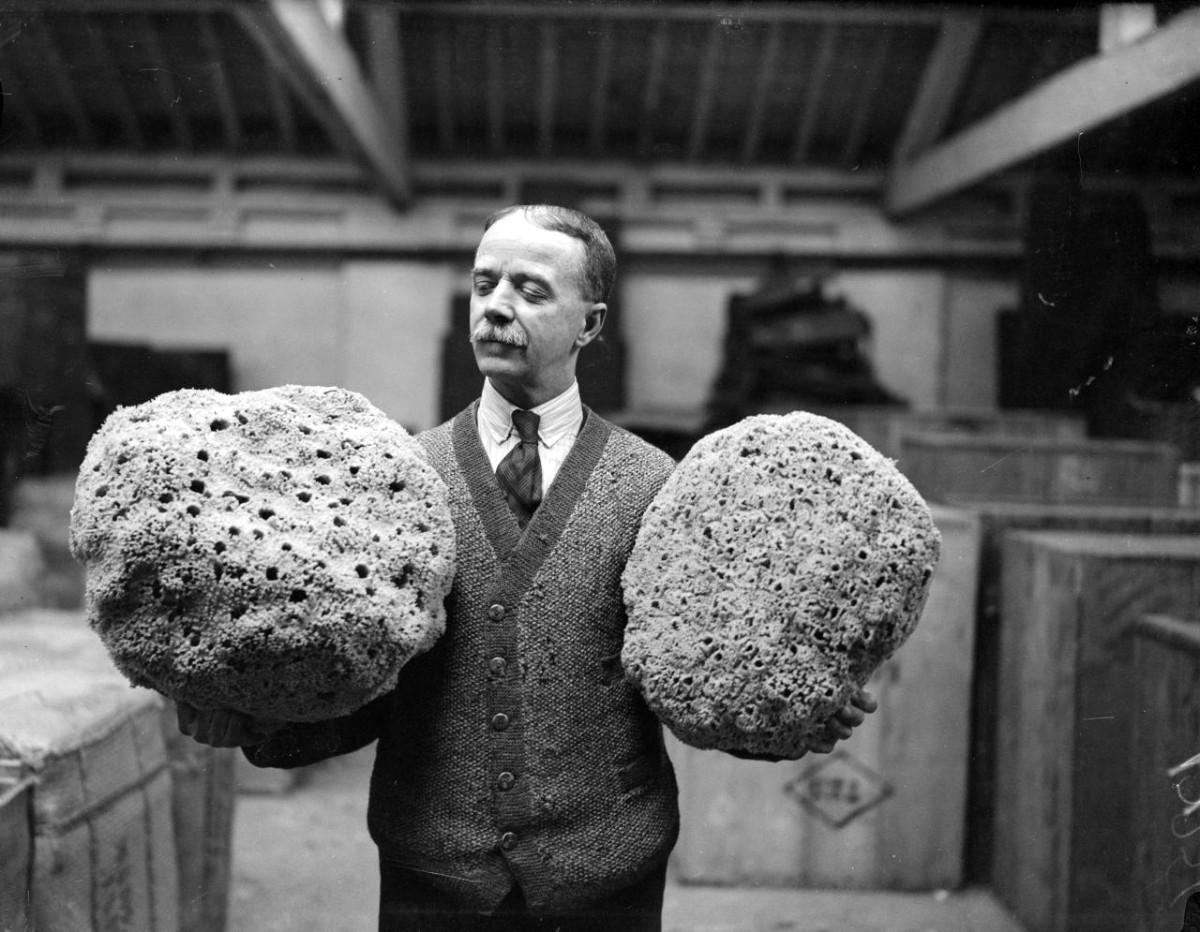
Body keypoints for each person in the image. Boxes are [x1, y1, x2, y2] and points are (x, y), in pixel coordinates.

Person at [177, 204, 876, 931]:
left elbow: (693, 672)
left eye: (531, 290)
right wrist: (258, 723)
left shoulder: (653, 485)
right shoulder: (401, 478)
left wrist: (791, 715)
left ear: (590, 325)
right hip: (434, 874)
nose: (497, 306)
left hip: (606, 875)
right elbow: (369, 681)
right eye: (485, 284)